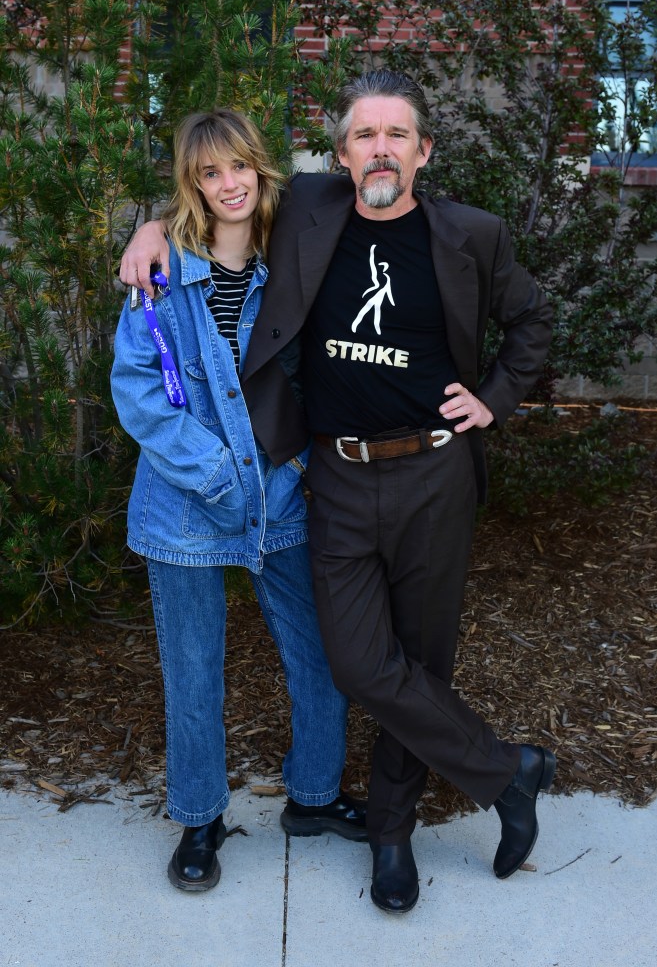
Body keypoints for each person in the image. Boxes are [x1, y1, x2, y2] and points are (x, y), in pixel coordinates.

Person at [120, 71, 556, 915]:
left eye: (398, 135)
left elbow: (531, 320)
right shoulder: (280, 227)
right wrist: (144, 231)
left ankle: (385, 828)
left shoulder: (453, 233)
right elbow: (211, 215)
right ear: (340, 154)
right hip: (305, 481)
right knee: (334, 660)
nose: (380, 149)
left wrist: (494, 399)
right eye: (364, 135)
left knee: (392, 659)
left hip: (399, 475)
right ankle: (505, 772)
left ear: (424, 150)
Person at [111, 109, 367, 895]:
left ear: (259, 171)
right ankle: (199, 817)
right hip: (186, 505)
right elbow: (140, 392)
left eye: (240, 168)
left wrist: (281, 472)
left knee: (318, 656)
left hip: (283, 494)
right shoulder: (161, 272)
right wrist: (221, 474)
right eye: (209, 173)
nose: (229, 185)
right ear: (190, 184)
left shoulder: (289, 258)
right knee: (193, 672)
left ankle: (314, 796)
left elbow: (351, 190)